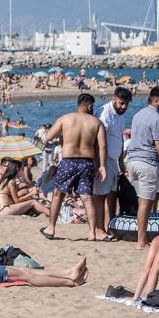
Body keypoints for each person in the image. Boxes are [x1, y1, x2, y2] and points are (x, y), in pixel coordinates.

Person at [40, 93, 110, 241]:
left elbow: (48, 137)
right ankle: (92, 232)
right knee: (87, 198)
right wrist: (102, 165)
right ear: (89, 105)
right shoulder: (96, 123)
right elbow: (103, 146)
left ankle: (51, 228)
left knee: (58, 195)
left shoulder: (65, 118)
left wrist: (64, 136)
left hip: (68, 161)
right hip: (87, 163)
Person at [124, 86, 159, 249]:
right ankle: (141, 241)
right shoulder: (156, 119)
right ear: (156, 100)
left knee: (143, 202)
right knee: (145, 203)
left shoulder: (138, 115)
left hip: (133, 162)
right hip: (147, 162)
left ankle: (141, 237)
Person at [95, 86, 132, 222]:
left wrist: (121, 161)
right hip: (104, 160)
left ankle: (110, 225)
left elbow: (120, 138)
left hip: (115, 161)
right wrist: (101, 164)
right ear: (114, 99)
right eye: (121, 103)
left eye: (126, 104)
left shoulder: (122, 115)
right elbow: (99, 141)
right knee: (101, 196)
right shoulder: (104, 113)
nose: (123, 107)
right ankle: (100, 228)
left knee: (112, 195)